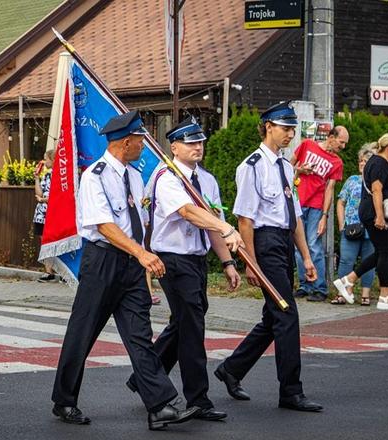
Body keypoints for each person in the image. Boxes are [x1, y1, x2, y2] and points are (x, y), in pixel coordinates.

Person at [51, 111, 200, 430]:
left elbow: (140, 223)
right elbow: (104, 225)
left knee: (140, 335)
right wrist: (142, 254)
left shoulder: (134, 175)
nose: (145, 145)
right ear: (124, 142)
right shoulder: (95, 176)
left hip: (132, 265)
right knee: (83, 330)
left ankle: (159, 406)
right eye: (140, 140)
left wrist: (143, 259)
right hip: (103, 262)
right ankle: (64, 400)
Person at [125, 117, 243, 422]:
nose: (197, 147)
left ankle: (146, 377)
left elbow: (211, 225)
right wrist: (226, 226)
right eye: (190, 143)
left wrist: (227, 262)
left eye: (200, 142)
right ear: (174, 147)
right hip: (172, 259)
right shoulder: (167, 178)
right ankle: (198, 398)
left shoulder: (207, 180)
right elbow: (188, 212)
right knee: (192, 325)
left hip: (196, 259)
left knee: (186, 320)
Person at [213, 101, 323, 412]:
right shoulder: (251, 167)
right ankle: (291, 391)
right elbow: (245, 219)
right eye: (285, 127)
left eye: (293, 128)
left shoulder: (287, 167)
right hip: (263, 243)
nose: (291, 133)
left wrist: (306, 257)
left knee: (273, 316)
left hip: (284, 243)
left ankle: (231, 369)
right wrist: (250, 261)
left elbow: (295, 217)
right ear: (268, 127)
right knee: (286, 314)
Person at [333, 133, 388, 310]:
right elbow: (377, 189)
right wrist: (379, 216)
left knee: (382, 251)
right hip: (374, 212)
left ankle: (348, 281)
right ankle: (385, 295)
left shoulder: (376, 162)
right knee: (385, 251)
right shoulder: (380, 163)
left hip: (371, 211)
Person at [291, 126, 348, 302]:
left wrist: (325, 216)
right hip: (298, 202)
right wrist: (300, 171)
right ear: (331, 137)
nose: (343, 146)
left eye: (345, 143)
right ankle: (304, 285)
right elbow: (288, 165)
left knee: (313, 246)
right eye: (341, 142)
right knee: (298, 247)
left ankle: (320, 288)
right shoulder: (307, 145)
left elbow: (330, 189)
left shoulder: (337, 162)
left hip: (316, 206)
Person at [331, 144, 376, 306]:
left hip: (372, 230)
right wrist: (342, 224)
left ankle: (365, 294)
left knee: (368, 262)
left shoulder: (377, 183)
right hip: (351, 228)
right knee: (346, 261)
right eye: (360, 161)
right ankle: (343, 293)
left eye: (365, 161)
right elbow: (340, 202)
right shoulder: (352, 181)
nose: (362, 164)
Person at [33, 149, 57, 282]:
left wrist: (42, 200)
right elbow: (40, 193)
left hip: (52, 213)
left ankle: (55, 271)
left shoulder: (58, 176)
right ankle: (48, 271)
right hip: (41, 214)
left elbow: (56, 197)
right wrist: (37, 178)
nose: (43, 161)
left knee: (52, 241)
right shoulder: (47, 175)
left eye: (46, 159)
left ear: (53, 160)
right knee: (44, 242)